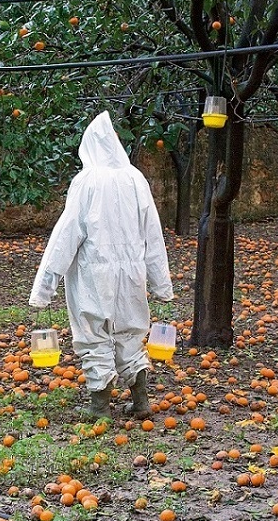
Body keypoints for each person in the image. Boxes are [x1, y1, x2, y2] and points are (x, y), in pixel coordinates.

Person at [29, 111, 173, 418]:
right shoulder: (136, 179)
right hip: (131, 273)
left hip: (94, 274)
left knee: (95, 336)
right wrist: (161, 284)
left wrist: (44, 288)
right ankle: (141, 401)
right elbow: (153, 233)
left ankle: (100, 407)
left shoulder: (87, 181)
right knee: (130, 332)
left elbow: (66, 233)